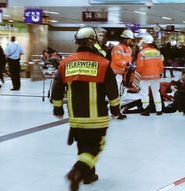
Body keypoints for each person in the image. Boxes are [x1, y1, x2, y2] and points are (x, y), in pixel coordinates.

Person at [51, 26, 123, 191]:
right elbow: (112, 90)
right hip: (97, 117)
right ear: (94, 42)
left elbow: (56, 88)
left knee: (83, 145)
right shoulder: (103, 63)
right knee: (96, 147)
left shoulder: (65, 63)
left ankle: (89, 175)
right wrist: (115, 109)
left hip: (76, 118)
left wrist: (58, 109)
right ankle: (77, 171)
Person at [136, 32, 164, 116]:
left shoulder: (141, 53)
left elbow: (140, 66)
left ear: (145, 43)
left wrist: (138, 73)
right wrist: (159, 73)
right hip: (155, 76)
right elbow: (161, 65)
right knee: (156, 92)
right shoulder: (157, 52)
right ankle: (159, 110)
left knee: (144, 92)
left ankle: (146, 110)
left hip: (144, 76)